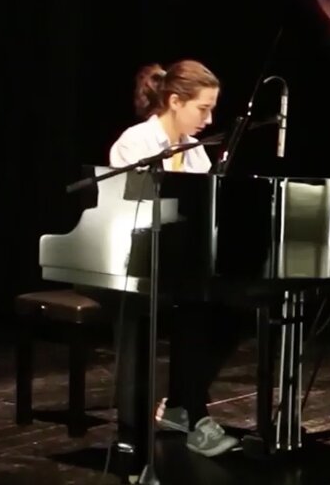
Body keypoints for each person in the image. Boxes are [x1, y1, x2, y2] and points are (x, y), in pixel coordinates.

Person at [109, 59, 240, 457]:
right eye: (203, 108)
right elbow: (125, 212)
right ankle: (181, 416)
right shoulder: (134, 143)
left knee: (234, 311)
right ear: (174, 101)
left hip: (180, 268)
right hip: (133, 265)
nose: (209, 119)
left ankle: (183, 405)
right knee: (192, 310)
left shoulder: (195, 152)